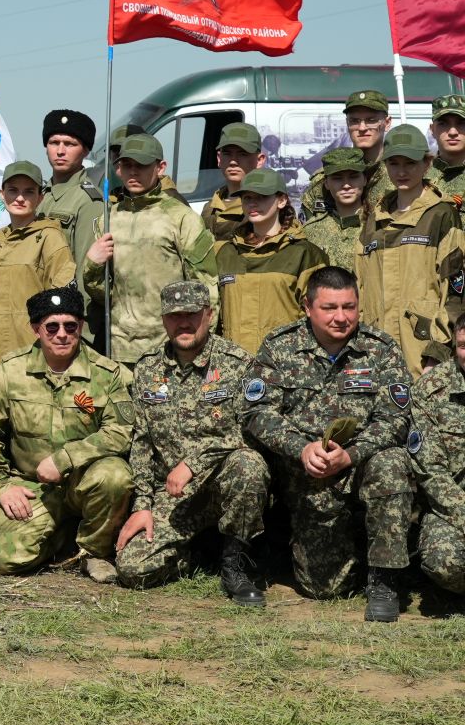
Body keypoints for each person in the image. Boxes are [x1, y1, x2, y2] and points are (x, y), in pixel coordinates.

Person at [242, 266, 413, 622]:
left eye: (349, 307)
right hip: (306, 474)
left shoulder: (380, 350)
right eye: (330, 308)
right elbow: (257, 413)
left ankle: (384, 580)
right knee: (324, 588)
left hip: (360, 466)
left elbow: (395, 419)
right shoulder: (280, 346)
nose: (341, 317)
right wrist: (300, 448)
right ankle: (348, 547)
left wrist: (351, 455)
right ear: (307, 307)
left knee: (392, 463)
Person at [114, 282, 269, 606]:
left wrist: (195, 461)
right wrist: (142, 505)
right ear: (163, 319)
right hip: (177, 497)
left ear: (209, 315)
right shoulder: (147, 369)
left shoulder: (237, 363)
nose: (183, 323)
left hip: (224, 483)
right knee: (132, 569)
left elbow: (254, 430)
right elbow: (141, 443)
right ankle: (197, 553)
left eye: (192, 315)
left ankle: (235, 566)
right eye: (174, 315)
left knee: (248, 465)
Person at [0, 287, 133, 583]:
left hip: (86, 481)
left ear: (80, 326)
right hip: (32, 485)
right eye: (52, 327)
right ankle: (62, 536)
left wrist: (66, 458)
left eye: (70, 326)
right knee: (0, 560)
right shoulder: (11, 371)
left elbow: (120, 432)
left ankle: (94, 551)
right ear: (36, 329)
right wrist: (1, 484)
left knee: (115, 476)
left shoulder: (107, 374)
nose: (62, 334)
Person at [82, 133, 218, 364]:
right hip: (119, 349)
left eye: (141, 165)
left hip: (169, 347)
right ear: (118, 169)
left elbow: (206, 288)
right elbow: (102, 295)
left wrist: (204, 346)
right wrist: (93, 265)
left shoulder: (182, 218)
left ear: (160, 167)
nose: (133, 172)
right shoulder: (107, 220)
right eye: (127, 165)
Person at [355, 124, 465, 377]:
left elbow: (456, 294)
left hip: (422, 355)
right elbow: (360, 290)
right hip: (375, 353)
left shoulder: (441, 215)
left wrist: (436, 354)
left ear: (427, 163)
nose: (402, 172)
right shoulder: (373, 221)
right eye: (394, 163)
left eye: (410, 163)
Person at [215, 169, 329, 354]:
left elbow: (319, 315)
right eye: (247, 197)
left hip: (283, 367)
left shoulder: (304, 253)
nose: (252, 203)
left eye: (261, 197)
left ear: (281, 200)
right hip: (233, 366)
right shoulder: (226, 252)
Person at [0, 161, 75, 362]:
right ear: (2, 194)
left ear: (40, 197)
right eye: (13, 190)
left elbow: (62, 302)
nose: (20, 198)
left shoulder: (49, 238)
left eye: (28, 192)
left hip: (32, 357)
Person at [409, 316, 465, 594]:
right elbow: (429, 469)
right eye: (464, 346)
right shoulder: (431, 391)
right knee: (446, 561)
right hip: (450, 508)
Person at [301, 90, 396, 220]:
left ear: (387, 123)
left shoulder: (401, 175)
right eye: (355, 121)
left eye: (371, 120)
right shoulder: (323, 182)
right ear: (347, 124)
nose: (362, 128)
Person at [36, 109, 104, 276]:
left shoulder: (89, 200)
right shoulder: (39, 195)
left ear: (86, 150)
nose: (60, 151)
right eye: (54, 142)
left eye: (70, 144)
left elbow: (85, 270)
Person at [301, 147, 368, 273]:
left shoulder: (378, 226)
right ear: (326, 183)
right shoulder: (311, 231)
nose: (346, 185)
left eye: (353, 177)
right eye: (337, 178)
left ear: (364, 179)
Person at [201, 123, 267, 243]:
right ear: (219, 159)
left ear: (259, 160)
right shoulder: (209, 209)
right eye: (227, 153)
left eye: (243, 154)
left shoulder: (267, 208)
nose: (233, 161)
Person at [431, 94, 465, 200]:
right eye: (443, 123)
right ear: (432, 130)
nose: (453, 132)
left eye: (462, 123)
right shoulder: (417, 175)